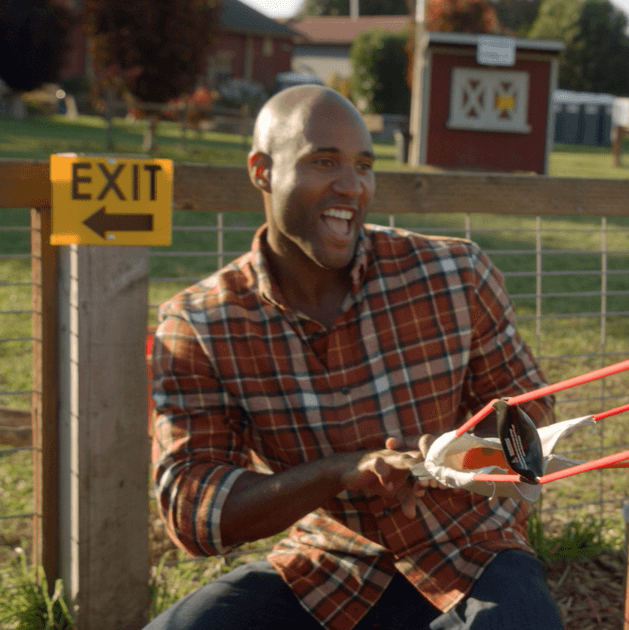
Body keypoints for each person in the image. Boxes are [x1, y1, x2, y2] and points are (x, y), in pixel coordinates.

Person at [145, 85, 563, 630]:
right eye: (324, 161)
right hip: (328, 567)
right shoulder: (201, 324)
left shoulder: (456, 274)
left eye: (364, 165)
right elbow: (192, 509)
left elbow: (536, 427)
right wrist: (338, 473)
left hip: (473, 553)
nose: (352, 186)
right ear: (261, 171)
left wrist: (452, 457)